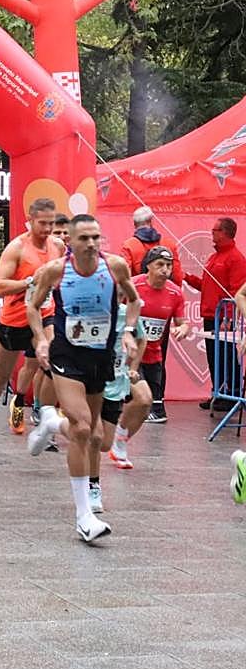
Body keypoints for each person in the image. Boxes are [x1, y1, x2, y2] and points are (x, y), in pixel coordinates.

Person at [25, 214, 140, 542]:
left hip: (100, 358)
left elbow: (133, 299)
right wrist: (42, 340)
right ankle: (84, 517)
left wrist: (129, 332)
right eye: (84, 238)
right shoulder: (56, 271)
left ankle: (50, 423)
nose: (91, 244)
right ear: (70, 243)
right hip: (67, 356)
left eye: (96, 237)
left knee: (96, 436)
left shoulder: (115, 266)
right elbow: (33, 307)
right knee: (81, 428)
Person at [0, 198, 65, 446]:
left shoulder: (57, 246)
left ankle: (44, 418)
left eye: (51, 223)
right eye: (42, 223)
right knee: (1, 376)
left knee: (54, 363)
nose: (47, 229)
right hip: (15, 320)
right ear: (30, 220)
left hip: (45, 313)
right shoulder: (17, 248)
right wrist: (29, 282)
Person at [89, 303, 148, 513]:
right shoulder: (93, 309)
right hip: (92, 383)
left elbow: (142, 340)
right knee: (94, 438)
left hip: (115, 387)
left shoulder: (127, 314)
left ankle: (58, 423)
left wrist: (132, 368)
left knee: (104, 444)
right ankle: (93, 487)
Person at [185, 217, 246, 410]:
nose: (212, 233)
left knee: (227, 356)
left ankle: (232, 394)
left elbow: (237, 293)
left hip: (223, 318)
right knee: (214, 356)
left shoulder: (236, 258)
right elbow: (207, 286)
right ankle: (218, 393)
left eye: (215, 230)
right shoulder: (215, 257)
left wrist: (228, 317)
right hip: (210, 315)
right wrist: (187, 278)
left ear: (225, 233)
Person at [132, 246, 188, 428]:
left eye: (169, 265)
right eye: (160, 264)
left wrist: (183, 329)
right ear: (148, 266)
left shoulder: (175, 293)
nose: (165, 269)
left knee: (153, 399)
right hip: (129, 351)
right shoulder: (134, 285)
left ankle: (150, 412)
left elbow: (183, 322)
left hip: (154, 351)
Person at [120, 206, 184, 284]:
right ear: (151, 221)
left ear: (134, 224)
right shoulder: (169, 244)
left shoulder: (129, 246)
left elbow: (125, 277)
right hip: (165, 292)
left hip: (140, 293)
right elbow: (177, 277)